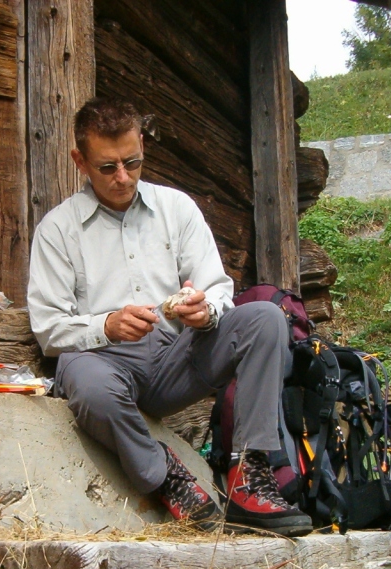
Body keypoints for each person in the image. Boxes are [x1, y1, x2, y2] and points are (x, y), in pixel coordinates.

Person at [27, 98, 312, 537]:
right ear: (79, 161)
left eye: (132, 162)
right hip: (103, 362)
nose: (123, 177)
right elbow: (49, 329)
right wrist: (106, 325)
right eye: (107, 167)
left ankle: (248, 475)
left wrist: (205, 310)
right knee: (85, 381)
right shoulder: (57, 229)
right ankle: (165, 476)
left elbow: (217, 288)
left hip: (177, 358)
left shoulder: (177, 208)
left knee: (266, 319)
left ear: (142, 145)